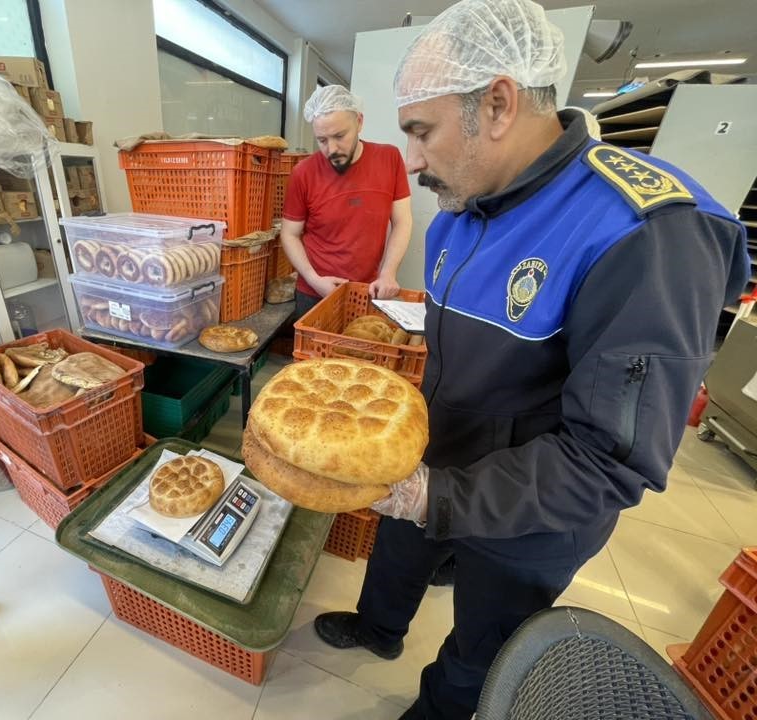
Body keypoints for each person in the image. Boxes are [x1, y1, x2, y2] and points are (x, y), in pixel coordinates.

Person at [310, 1, 749, 719]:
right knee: (396, 551)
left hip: (532, 513)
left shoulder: (644, 232)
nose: (411, 159)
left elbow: (609, 459)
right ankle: (378, 627)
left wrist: (439, 499)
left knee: (481, 651)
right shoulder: (464, 203)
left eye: (422, 131)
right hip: (437, 450)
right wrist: (414, 475)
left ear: (499, 103)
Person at [281, 85, 413, 319]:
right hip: (315, 293)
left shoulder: (389, 159)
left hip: (368, 290)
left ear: (359, 122)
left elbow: (402, 221)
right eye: (322, 140)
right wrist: (314, 280)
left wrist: (388, 272)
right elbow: (290, 234)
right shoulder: (303, 173)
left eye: (340, 136)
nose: (331, 149)